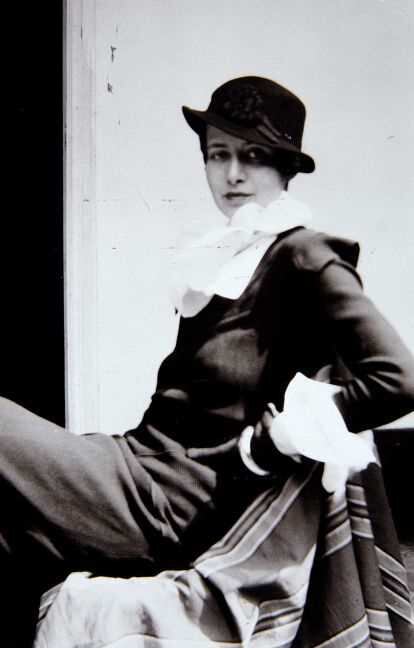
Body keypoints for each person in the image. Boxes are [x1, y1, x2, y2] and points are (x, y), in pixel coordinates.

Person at [2, 76, 414, 648]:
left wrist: (276, 441)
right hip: (139, 467)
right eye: (218, 155)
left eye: (254, 156)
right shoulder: (222, 260)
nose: (232, 174)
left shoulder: (303, 255)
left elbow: (398, 379)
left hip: (181, 504)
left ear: (285, 167)